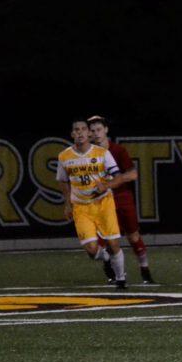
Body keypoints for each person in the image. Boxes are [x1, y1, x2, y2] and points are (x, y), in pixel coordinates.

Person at [56, 118, 129, 289]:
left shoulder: (102, 153)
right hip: (81, 206)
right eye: (76, 129)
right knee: (91, 250)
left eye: (83, 129)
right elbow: (62, 180)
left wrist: (107, 185)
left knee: (113, 243)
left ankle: (120, 278)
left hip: (103, 203)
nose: (80, 132)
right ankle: (106, 259)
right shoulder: (64, 156)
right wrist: (67, 203)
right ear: (72, 134)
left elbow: (118, 177)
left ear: (89, 133)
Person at [88, 115, 156, 284]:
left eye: (99, 129)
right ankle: (109, 264)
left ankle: (145, 269)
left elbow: (133, 174)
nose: (96, 133)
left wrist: (111, 183)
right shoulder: (88, 154)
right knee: (99, 243)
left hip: (122, 198)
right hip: (101, 201)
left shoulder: (118, 150)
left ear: (106, 130)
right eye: (93, 130)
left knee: (133, 236)